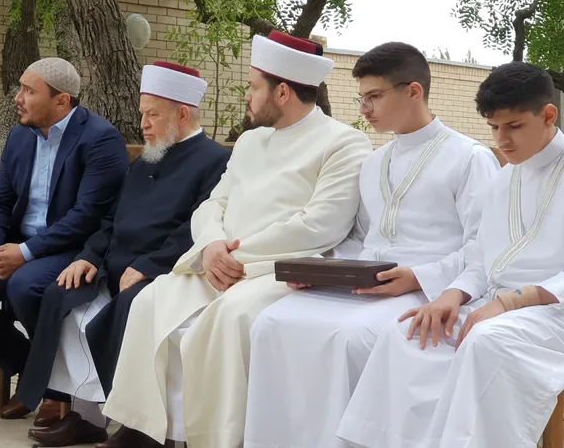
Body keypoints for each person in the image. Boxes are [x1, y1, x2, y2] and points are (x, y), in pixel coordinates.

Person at [100, 30, 373, 448]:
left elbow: (321, 224)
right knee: (150, 301)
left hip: (278, 268)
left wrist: (237, 257)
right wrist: (211, 246)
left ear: (282, 92)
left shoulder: (344, 142)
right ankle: (143, 428)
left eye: (252, 86)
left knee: (230, 318)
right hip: (219, 262)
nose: (247, 95)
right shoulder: (250, 140)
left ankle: (216, 439)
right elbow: (214, 204)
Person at [243, 42, 500, 448]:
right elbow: (361, 238)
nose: (364, 109)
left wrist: (418, 276)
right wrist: (321, 271)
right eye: (361, 98)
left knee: (350, 336)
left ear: (413, 91)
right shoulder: (375, 162)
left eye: (374, 97)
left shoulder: (469, 158)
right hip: (365, 284)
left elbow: (485, 245)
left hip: (430, 287)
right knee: (270, 323)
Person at [337, 62, 564, 448]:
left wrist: (510, 301)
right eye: (494, 128)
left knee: (486, 341)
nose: (502, 140)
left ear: (548, 115)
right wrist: (451, 294)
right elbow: (481, 254)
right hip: (495, 304)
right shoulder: (505, 177)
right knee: (407, 334)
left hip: (551, 311)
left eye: (514, 126)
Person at [20, 62, 232, 446]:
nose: (143, 124)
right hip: (113, 266)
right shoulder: (148, 157)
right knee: (61, 295)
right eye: (142, 114)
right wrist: (88, 256)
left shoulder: (215, 160)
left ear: (183, 114)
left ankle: (141, 426)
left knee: (129, 308)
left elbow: (195, 229)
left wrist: (149, 266)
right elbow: (111, 220)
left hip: (166, 272)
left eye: (153, 115)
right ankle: (86, 416)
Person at [0, 57, 129, 425]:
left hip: (73, 250)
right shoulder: (20, 136)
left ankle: (56, 391)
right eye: (21, 88)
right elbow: (0, 201)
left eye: (29, 90)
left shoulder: (100, 139)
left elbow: (86, 217)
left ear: (62, 100)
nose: (18, 98)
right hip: (17, 244)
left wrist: (24, 253)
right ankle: (34, 372)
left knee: (24, 286)